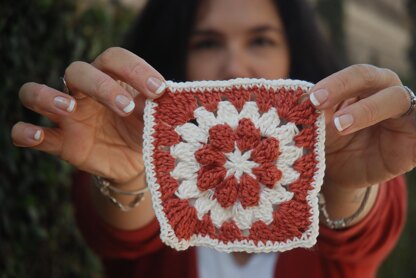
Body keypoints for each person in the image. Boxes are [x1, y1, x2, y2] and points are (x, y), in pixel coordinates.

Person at [11, 0, 414, 277]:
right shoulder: (130, 147)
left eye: (260, 39)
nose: (235, 64)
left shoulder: (354, 147)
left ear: (295, 50)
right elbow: (121, 237)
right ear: (175, 51)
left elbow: (358, 239)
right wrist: (132, 176)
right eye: (207, 42)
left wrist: (343, 184)